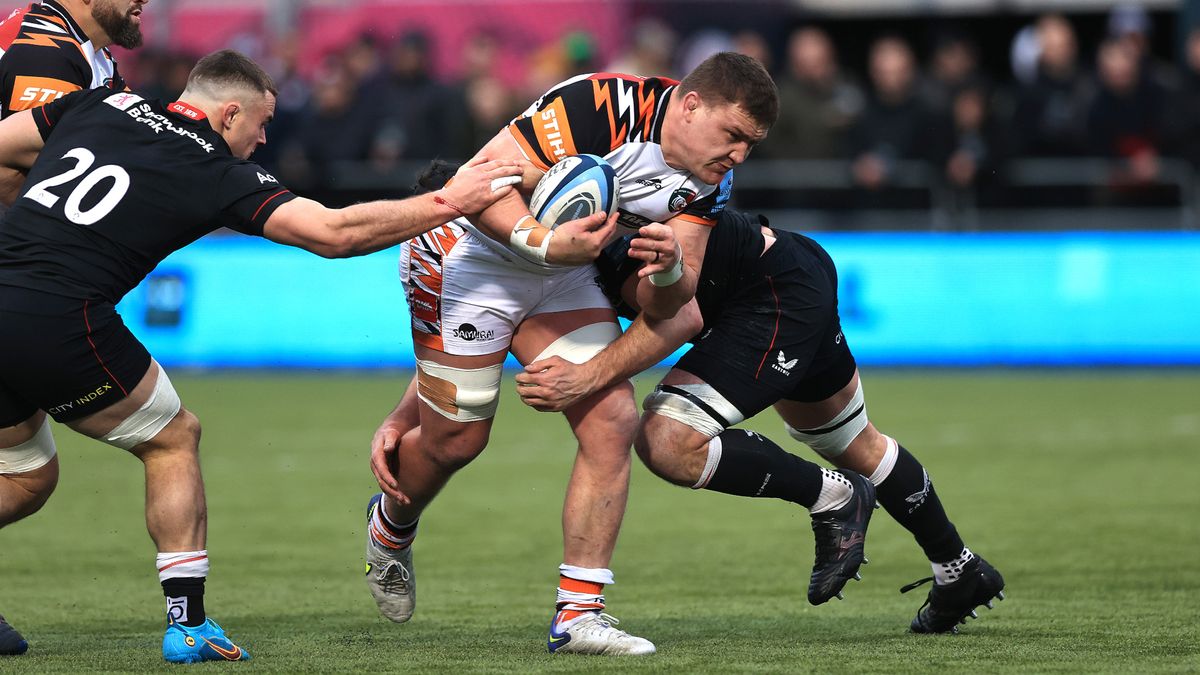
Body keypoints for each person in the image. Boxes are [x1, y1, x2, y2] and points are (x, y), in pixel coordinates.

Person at [0, 49, 527, 662]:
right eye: (261, 123)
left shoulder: (103, 100)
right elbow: (336, 234)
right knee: (172, 438)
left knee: (25, 477)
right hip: (60, 317)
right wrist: (450, 202)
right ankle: (188, 623)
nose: (264, 137)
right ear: (229, 115)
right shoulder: (215, 170)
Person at [361, 53, 875, 657]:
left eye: (750, 145)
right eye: (733, 135)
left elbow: (672, 305)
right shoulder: (599, 104)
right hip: (468, 258)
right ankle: (390, 527)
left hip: (564, 271)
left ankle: (579, 614)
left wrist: (671, 266)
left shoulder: (708, 183)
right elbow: (477, 184)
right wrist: (546, 242)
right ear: (689, 105)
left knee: (613, 418)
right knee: (456, 442)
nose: (739, 155)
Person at [514, 208, 1007, 634]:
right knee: (853, 441)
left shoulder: (598, 228)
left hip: (770, 294)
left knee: (668, 440)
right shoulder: (544, 234)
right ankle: (959, 569)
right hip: (787, 272)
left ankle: (834, 496)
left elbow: (677, 318)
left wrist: (587, 376)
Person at [0, 0, 146, 118]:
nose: (144, 0)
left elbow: (139, 123)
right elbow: (46, 151)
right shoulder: (46, 49)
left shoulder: (92, 49)